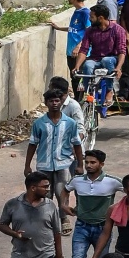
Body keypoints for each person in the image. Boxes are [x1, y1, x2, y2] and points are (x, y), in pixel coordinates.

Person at [61, 149, 124, 258]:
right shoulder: (77, 180)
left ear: (101, 164)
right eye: (87, 162)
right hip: (81, 226)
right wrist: (63, 205)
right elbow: (65, 190)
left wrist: (119, 209)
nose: (88, 165)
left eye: (93, 162)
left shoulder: (112, 181)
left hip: (103, 228)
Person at [24, 88, 83, 233]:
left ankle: (64, 218)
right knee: (45, 193)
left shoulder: (70, 123)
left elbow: (77, 143)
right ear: (46, 103)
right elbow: (33, 144)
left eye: (57, 100)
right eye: (51, 101)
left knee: (61, 191)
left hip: (64, 163)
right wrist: (27, 166)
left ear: (61, 102)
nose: (54, 103)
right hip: (44, 164)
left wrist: (80, 164)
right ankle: (46, 219)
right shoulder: (39, 123)